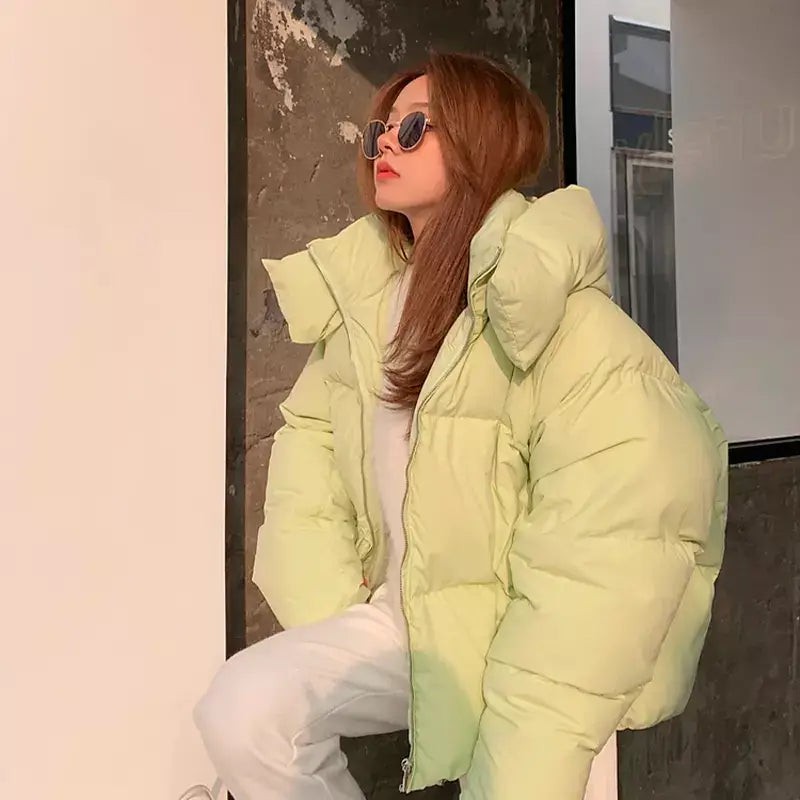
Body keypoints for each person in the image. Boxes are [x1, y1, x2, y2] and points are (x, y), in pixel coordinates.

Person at [193, 52, 728, 800]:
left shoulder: (566, 326)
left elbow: (610, 556)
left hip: (537, 639)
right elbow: (308, 471)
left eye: (415, 128)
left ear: (482, 141)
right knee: (246, 709)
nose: (385, 142)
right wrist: (332, 607)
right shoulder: (365, 309)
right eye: (380, 129)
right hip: (408, 621)